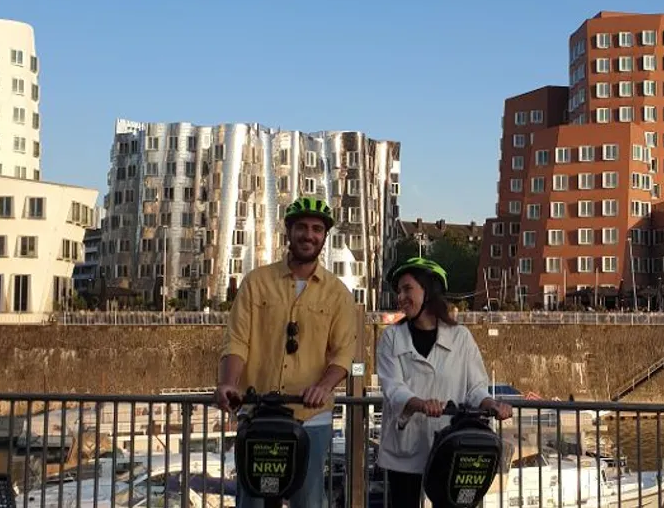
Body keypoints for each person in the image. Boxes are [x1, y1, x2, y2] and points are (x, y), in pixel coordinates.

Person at [215, 196, 357, 508]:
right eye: (302, 227)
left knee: (308, 498)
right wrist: (228, 382)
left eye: (317, 229)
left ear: (324, 237)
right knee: (251, 497)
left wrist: (322, 387)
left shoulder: (338, 294)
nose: (309, 235)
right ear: (289, 232)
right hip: (257, 412)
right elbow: (238, 340)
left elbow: (343, 353)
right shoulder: (256, 282)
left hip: (310, 416)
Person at [375, 257, 513, 507]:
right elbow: (392, 387)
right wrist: (419, 403)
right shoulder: (391, 338)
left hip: (451, 446)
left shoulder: (461, 337)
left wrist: (491, 404)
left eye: (407, 289)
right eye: (398, 291)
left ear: (430, 291)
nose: (400, 297)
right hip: (406, 447)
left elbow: (475, 387)